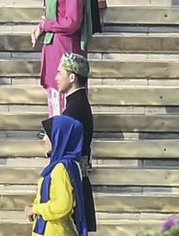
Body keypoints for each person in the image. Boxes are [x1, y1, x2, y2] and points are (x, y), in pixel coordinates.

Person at [37, 0, 97, 117]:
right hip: (57, 48)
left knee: (62, 108)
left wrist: (45, 25)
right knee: (55, 105)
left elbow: (72, 21)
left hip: (65, 50)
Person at [25, 114, 92, 236]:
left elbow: (62, 205)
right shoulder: (62, 166)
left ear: (59, 137)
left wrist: (35, 209)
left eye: (47, 135)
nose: (44, 139)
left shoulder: (60, 169)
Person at [56, 52, 97, 230]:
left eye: (60, 72)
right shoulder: (77, 104)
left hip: (72, 177)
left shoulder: (76, 107)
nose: (56, 77)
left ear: (72, 77)